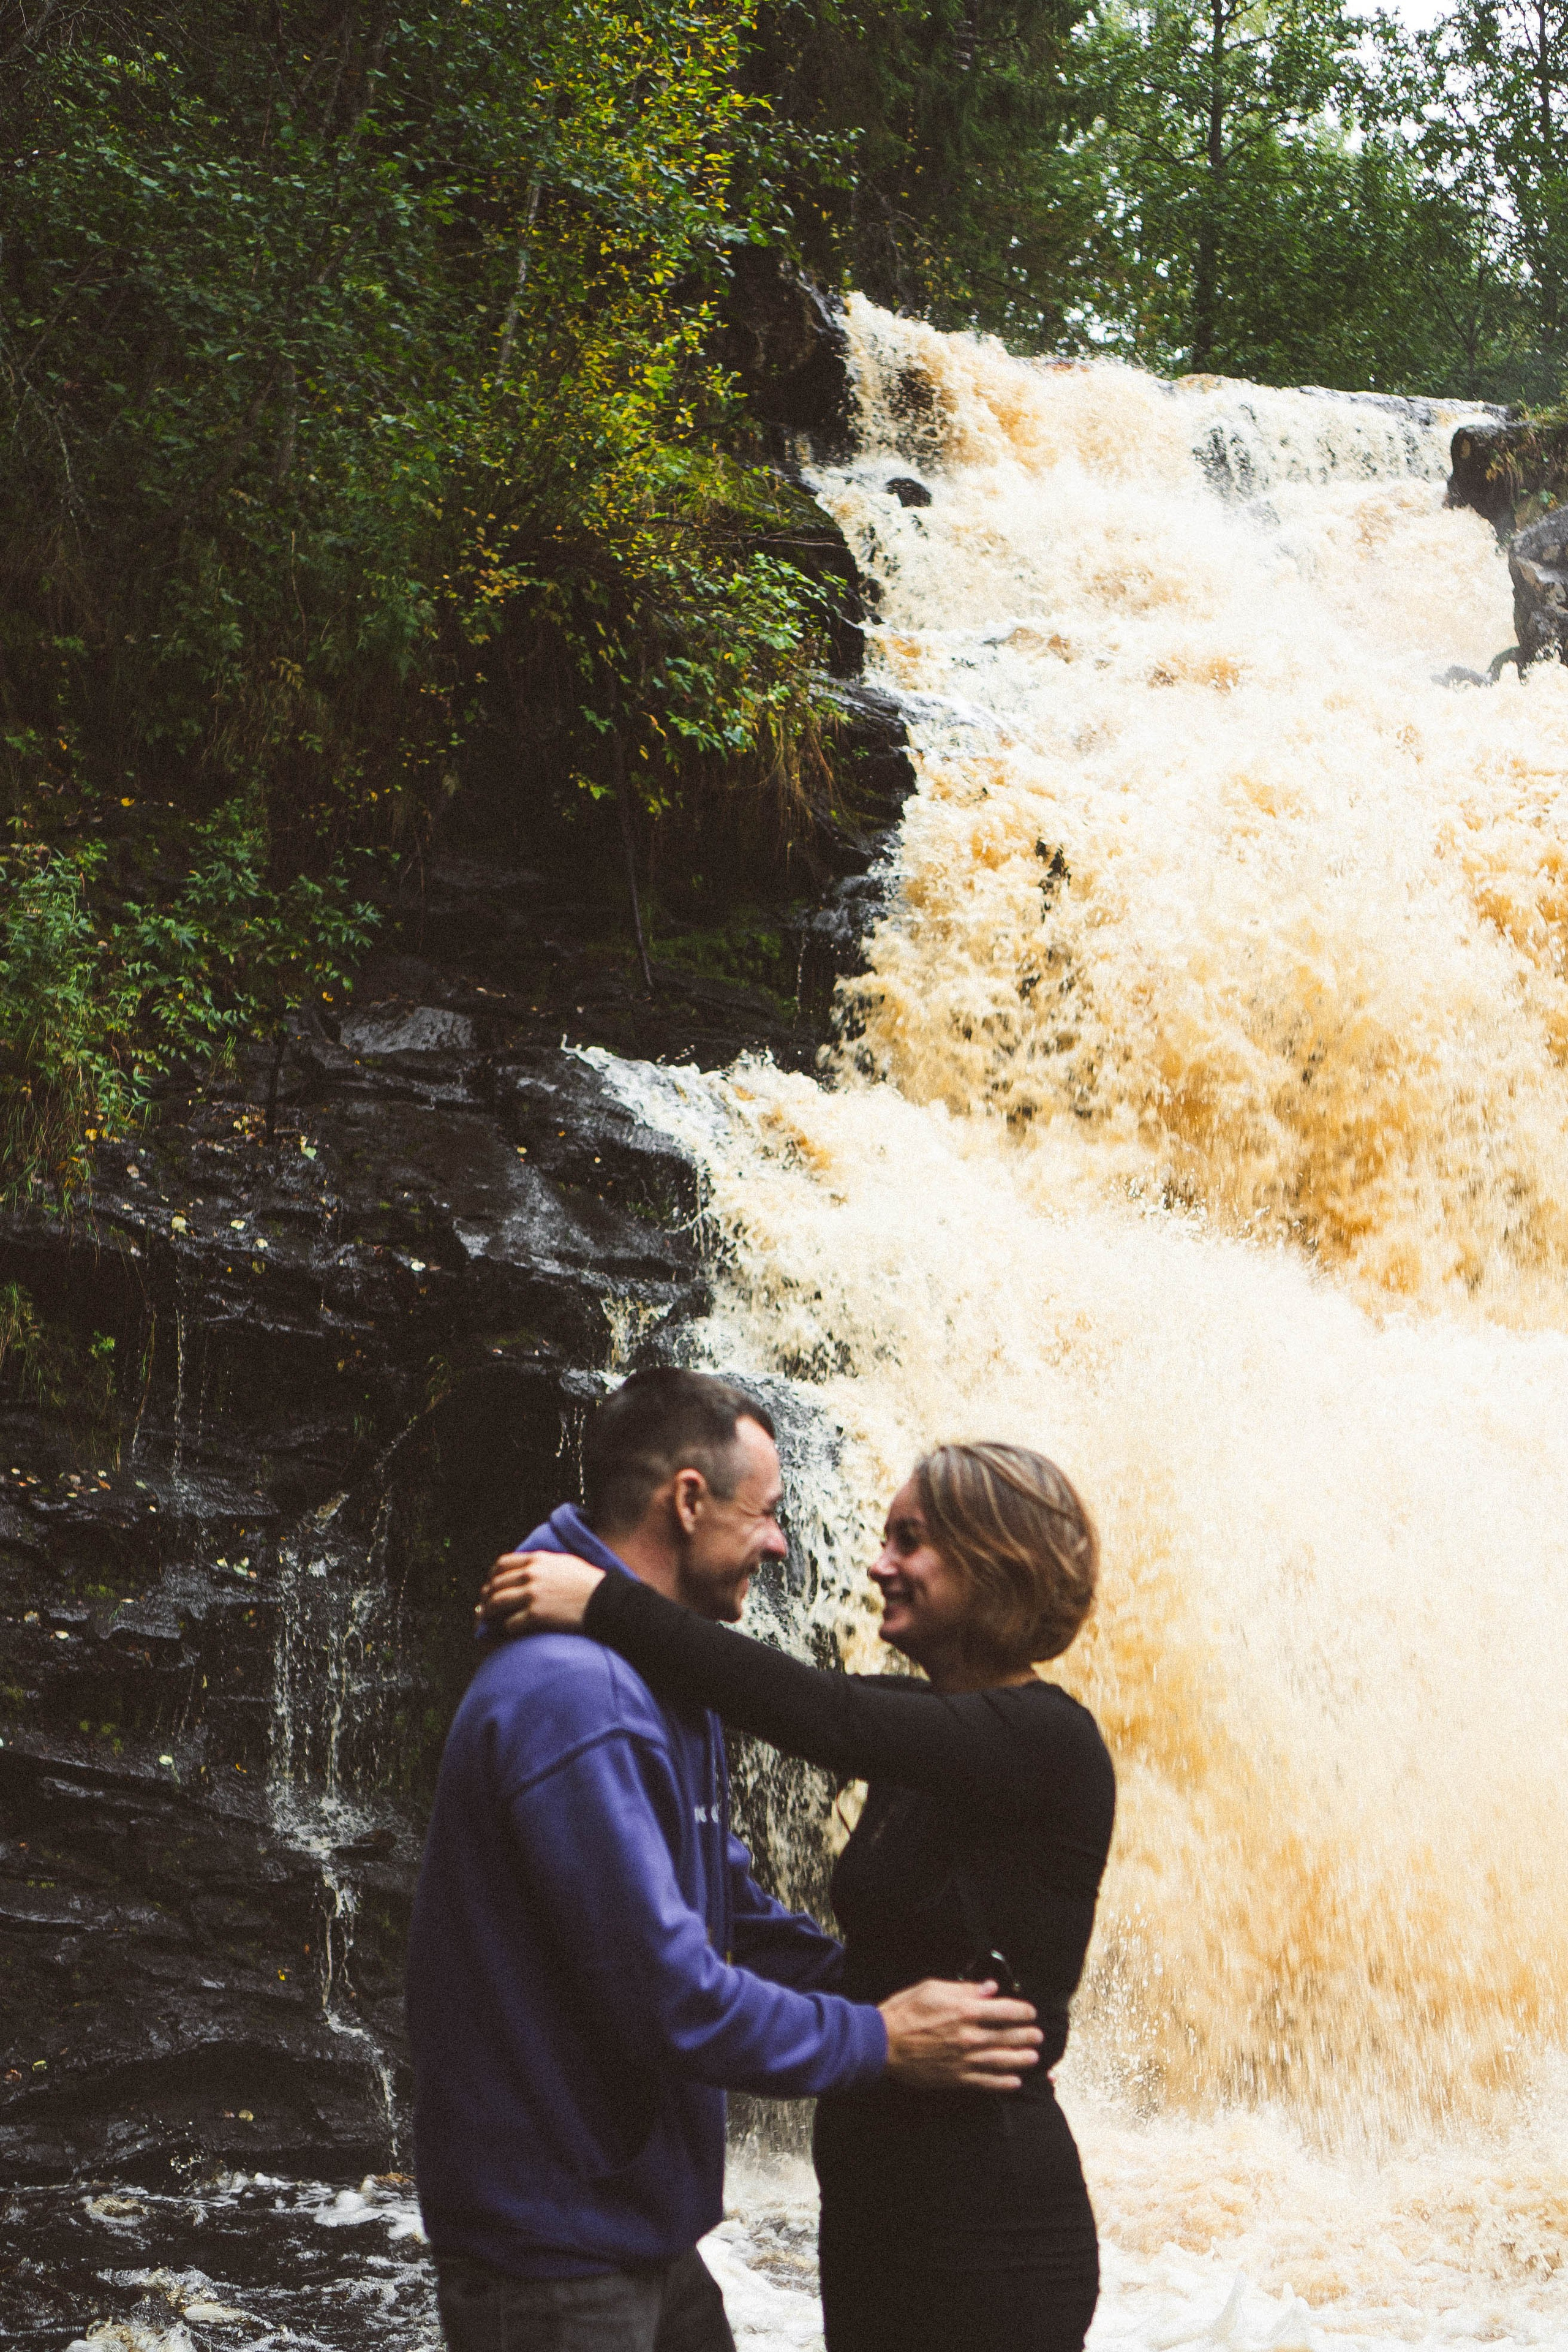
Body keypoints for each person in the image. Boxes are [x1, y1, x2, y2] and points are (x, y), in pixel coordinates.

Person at [407, 1370, 1042, 2352]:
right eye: (769, 1513)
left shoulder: (656, 1672)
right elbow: (672, 1993)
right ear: (689, 1500)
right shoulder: (578, 1698)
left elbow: (726, 1908)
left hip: (632, 2230)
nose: (784, 1542)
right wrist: (880, 2040)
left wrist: (900, 1993)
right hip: (557, 2254)